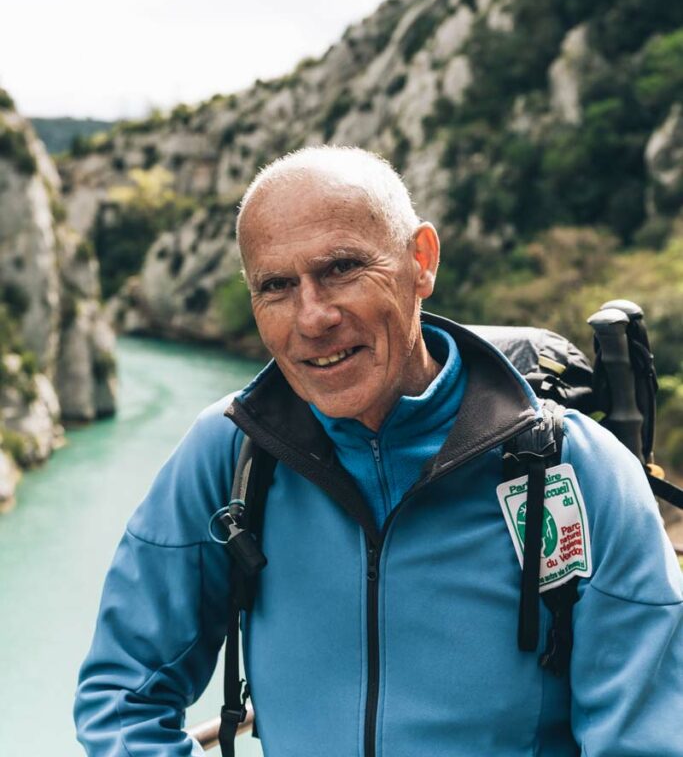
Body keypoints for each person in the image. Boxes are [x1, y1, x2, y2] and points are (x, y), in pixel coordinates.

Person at [75, 146, 683, 757]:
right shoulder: (231, 453)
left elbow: (645, 739)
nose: (312, 317)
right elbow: (124, 693)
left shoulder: (579, 469)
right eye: (276, 286)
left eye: (341, 268)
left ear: (421, 262)